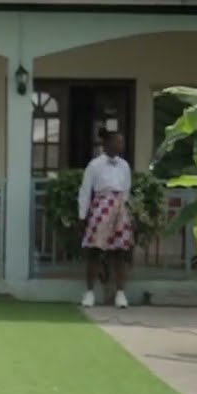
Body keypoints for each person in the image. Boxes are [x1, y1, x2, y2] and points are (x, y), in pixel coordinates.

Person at [78, 129, 133, 309]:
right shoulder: (94, 165)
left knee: (119, 253)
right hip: (101, 206)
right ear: (106, 144)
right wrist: (82, 215)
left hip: (118, 207)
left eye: (121, 142)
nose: (120, 145)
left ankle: (120, 293)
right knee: (94, 251)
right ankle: (89, 292)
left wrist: (121, 211)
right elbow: (86, 191)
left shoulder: (124, 165)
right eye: (116, 142)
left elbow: (126, 189)